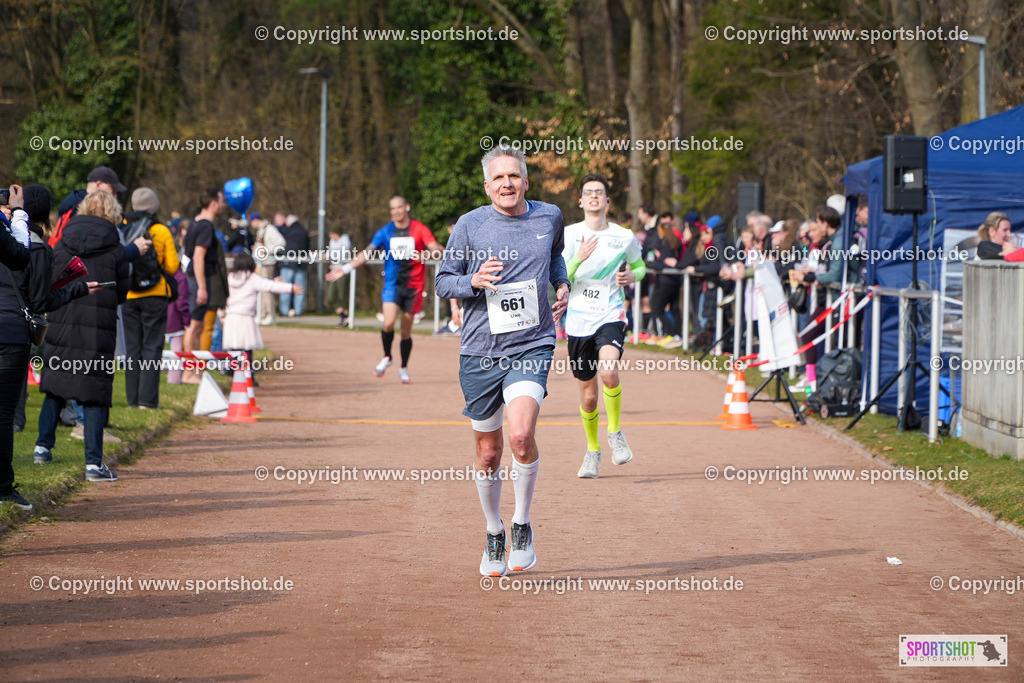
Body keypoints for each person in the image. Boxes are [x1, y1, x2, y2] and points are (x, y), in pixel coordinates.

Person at [435, 145, 570, 577]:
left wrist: (561, 282)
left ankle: (522, 522)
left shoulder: (548, 216)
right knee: (490, 454)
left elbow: (554, 256)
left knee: (519, 434)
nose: (507, 184)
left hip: (532, 343)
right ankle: (494, 531)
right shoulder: (470, 225)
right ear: (487, 185)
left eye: (514, 176)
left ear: (526, 181)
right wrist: (472, 281)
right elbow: (442, 282)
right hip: (479, 351)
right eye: (499, 178)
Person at [33, 190, 130, 482]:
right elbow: (123, 292)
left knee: (55, 385)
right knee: (94, 392)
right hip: (98, 324)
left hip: (63, 318)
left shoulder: (63, 242)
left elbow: (51, 281)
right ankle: (93, 464)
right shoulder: (116, 248)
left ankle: (41, 446)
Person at [2, 185, 81, 510]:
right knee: (4, 413)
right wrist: (76, 290)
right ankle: (4, 487)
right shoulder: (34, 246)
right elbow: (40, 301)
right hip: (11, 332)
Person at [562, 174, 645, 479]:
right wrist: (577, 260)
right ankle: (593, 450)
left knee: (609, 371)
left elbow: (640, 266)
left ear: (608, 202)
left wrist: (632, 277)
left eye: (600, 192)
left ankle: (615, 432)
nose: (594, 197)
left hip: (610, 313)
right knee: (588, 394)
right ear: (581, 201)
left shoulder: (624, 236)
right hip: (579, 320)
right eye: (588, 193)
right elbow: (560, 276)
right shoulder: (569, 235)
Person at [327, 196, 444, 384]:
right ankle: (387, 356)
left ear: (407, 207)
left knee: (406, 331)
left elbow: (437, 249)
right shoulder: (385, 231)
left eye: (399, 207)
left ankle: (404, 367)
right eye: (392, 209)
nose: (396, 212)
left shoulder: (419, 229)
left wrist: (426, 254)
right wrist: (346, 268)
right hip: (392, 284)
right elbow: (367, 252)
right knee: (388, 323)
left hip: (413, 287)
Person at [122, 188, 178, 409]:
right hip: (155, 295)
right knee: (152, 348)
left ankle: (132, 400)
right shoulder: (161, 230)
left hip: (129, 294)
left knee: (132, 349)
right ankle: (147, 400)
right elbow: (172, 267)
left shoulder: (125, 227)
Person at [221, 251, 301, 383]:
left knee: (234, 347)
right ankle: (248, 376)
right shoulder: (252, 278)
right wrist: (291, 288)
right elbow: (270, 286)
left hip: (231, 317)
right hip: (245, 318)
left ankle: (231, 369)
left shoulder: (230, 277)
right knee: (247, 349)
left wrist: (222, 313)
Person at [183, 187, 227, 381]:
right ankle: (192, 372)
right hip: (201, 279)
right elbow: (198, 256)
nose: (224, 205)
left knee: (197, 326)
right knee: (196, 327)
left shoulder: (195, 223)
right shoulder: (205, 226)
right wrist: (202, 286)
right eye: (222, 201)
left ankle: (193, 371)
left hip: (196, 278)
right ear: (213, 203)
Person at [648, 213, 684, 348]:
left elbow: (664, 263)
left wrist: (653, 264)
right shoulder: (676, 242)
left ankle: (672, 334)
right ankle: (678, 334)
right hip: (675, 281)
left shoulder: (665, 243)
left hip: (665, 281)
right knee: (674, 308)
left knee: (657, 308)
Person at [253, 213, 285, 325]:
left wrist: (267, 249)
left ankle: (271, 315)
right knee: (261, 289)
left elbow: (281, 243)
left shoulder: (270, 229)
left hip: (268, 263)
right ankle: (262, 314)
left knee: (267, 289)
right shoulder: (261, 230)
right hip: (261, 263)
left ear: (256, 220)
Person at [278, 215, 310, 317]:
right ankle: (298, 311)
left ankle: (284, 310)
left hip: (288, 263)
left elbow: (282, 246)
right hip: (301, 263)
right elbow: (307, 248)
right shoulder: (304, 232)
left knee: (285, 288)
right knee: (299, 288)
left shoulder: (287, 232)